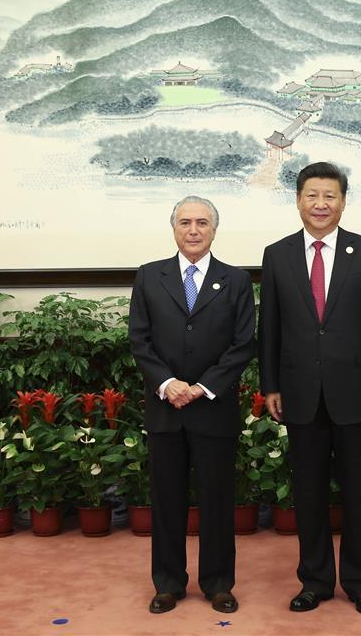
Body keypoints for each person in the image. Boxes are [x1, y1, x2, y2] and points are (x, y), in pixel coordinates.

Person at [258, 161, 361, 617]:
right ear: (298, 200)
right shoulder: (277, 254)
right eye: (312, 195)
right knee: (309, 493)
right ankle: (315, 581)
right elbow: (270, 330)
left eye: (330, 196)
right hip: (300, 392)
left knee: (360, 492)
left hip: (358, 392)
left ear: (343, 201)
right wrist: (270, 385)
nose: (321, 204)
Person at [129, 196, 256, 616]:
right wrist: (168, 384)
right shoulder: (150, 277)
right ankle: (168, 584)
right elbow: (139, 340)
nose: (194, 230)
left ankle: (218, 583)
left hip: (213, 409)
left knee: (218, 499)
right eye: (185, 222)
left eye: (202, 222)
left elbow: (243, 345)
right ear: (174, 229)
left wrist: (202, 387)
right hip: (166, 407)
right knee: (166, 500)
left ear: (215, 230)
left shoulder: (235, 280)